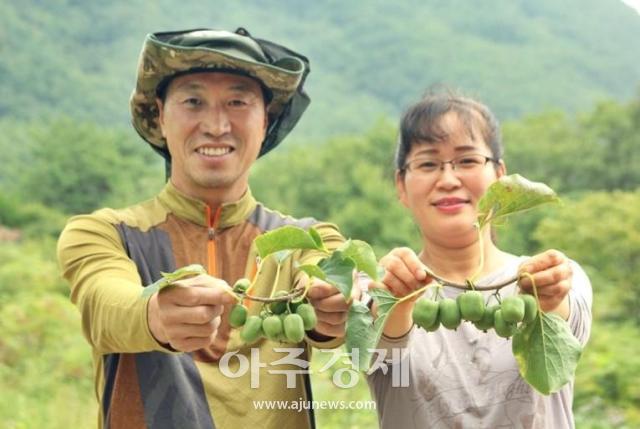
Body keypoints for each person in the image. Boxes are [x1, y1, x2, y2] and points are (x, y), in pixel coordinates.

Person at [57, 28, 351, 429]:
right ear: (160, 115)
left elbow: (333, 284)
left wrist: (334, 305)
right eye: (193, 101)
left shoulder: (307, 240)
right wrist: (154, 314)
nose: (215, 125)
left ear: (266, 120)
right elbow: (104, 303)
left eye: (237, 102)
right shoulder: (106, 233)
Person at [366, 90, 593, 428]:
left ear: (500, 175)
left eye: (467, 160)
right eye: (428, 164)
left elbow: (561, 317)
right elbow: (381, 348)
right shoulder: (384, 286)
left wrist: (547, 298)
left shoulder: (554, 276)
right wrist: (393, 302)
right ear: (401, 185)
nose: (448, 179)